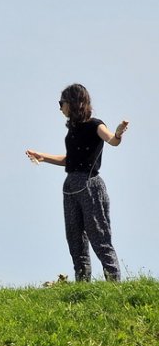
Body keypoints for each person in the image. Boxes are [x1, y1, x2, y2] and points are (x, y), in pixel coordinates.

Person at [26, 83, 129, 282]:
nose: (60, 107)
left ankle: (114, 284)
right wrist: (42, 156)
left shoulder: (95, 124)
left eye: (61, 102)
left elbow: (112, 140)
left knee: (99, 236)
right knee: (75, 239)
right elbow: (70, 160)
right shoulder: (73, 130)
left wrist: (118, 133)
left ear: (73, 102)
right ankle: (82, 284)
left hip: (90, 185)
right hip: (71, 185)